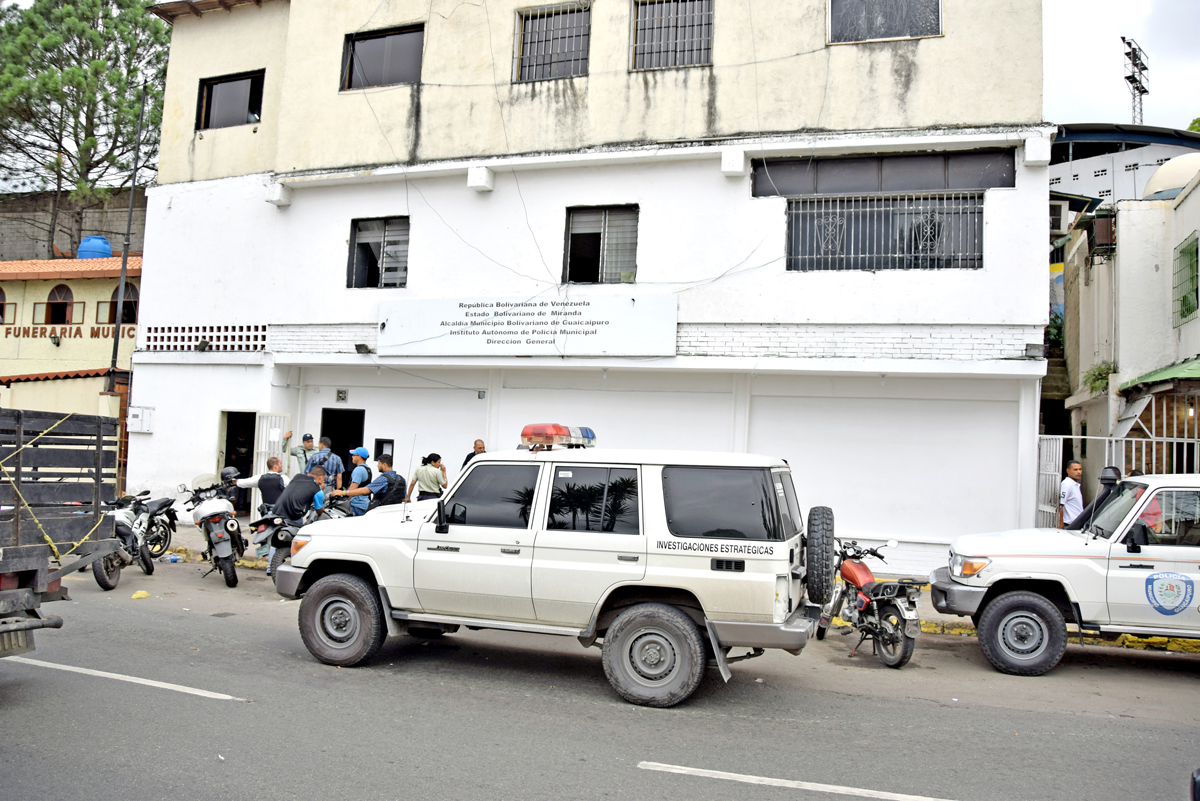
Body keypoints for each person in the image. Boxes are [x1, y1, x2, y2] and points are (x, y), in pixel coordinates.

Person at [333, 453, 406, 509]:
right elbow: (404, 499)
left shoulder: (384, 479)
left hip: (380, 512)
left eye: (379, 464)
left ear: (384, 465)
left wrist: (343, 492)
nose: (377, 466)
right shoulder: (401, 479)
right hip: (394, 513)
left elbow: (366, 490)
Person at [344, 447, 373, 516]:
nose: (352, 457)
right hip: (365, 503)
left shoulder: (358, 470)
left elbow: (353, 489)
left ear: (359, 457)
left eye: (354, 455)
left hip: (357, 505)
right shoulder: (368, 469)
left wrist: (345, 501)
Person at [1060, 460, 1084, 527]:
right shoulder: (1066, 485)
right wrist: (1061, 525)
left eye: (1080, 469)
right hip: (1069, 525)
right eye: (1075, 470)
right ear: (1068, 471)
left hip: (1077, 524)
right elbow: (1060, 506)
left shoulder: (1075, 485)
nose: (1079, 472)